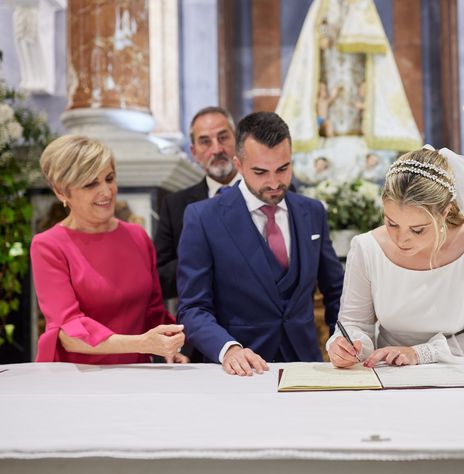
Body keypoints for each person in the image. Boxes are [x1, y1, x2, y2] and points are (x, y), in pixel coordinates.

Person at [177, 112, 344, 376]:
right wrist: (228, 349)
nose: (274, 183)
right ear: (239, 165)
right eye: (260, 172)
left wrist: (342, 338)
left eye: (283, 168)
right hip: (240, 372)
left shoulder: (312, 212)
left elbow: (336, 291)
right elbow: (193, 308)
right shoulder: (202, 218)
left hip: (306, 366)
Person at [327, 147, 464, 368]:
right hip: (389, 376)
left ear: (444, 212)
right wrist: (348, 345)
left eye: (418, 230)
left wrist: (420, 353)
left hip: (459, 376)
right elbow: (355, 323)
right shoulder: (367, 248)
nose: (401, 239)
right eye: (392, 223)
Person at [31, 135, 187, 364]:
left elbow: (152, 312)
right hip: (76, 378)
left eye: (109, 178)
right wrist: (143, 343)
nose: (106, 191)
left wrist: (171, 347)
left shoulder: (137, 236)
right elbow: (68, 333)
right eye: (90, 184)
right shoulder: (48, 246)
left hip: (138, 373)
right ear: (61, 192)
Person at [154, 106, 240, 300]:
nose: (217, 149)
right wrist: (205, 253)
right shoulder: (175, 206)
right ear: (194, 152)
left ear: (237, 141)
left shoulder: (265, 192)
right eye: (205, 142)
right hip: (204, 318)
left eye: (223, 137)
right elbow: (160, 280)